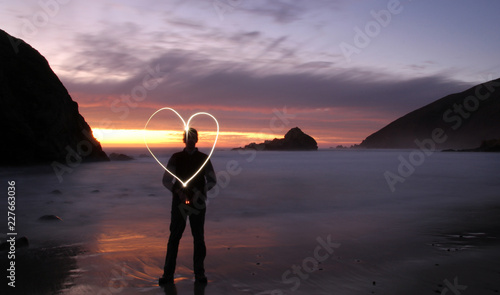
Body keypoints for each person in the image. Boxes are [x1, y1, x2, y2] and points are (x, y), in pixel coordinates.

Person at [159, 128, 217, 286]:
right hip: (179, 204)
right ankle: (167, 274)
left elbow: (213, 180)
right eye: (188, 138)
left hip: (198, 204)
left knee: (198, 238)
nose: (191, 140)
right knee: (174, 238)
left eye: (193, 138)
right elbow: (166, 180)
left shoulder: (204, 159)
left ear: (197, 139)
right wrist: (178, 192)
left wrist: (202, 192)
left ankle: (199, 274)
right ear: (184, 140)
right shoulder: (176, 158)